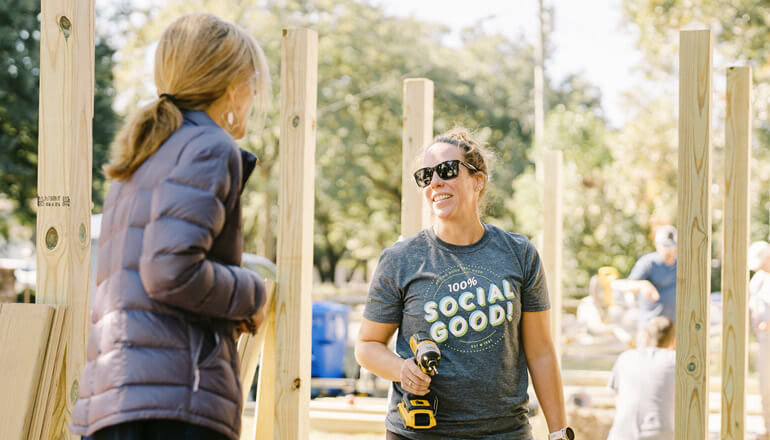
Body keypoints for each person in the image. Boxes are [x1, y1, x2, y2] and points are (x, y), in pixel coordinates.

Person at [70, 13, 271, 440]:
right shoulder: (209, 147)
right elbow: (170, 272)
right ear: (232, 86)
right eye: (253, 81)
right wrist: (251, 293)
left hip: (115, 401)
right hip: (175, 405)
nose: (255, 94)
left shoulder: (142, 157)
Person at [355, 128, 572, 440]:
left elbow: (541, 353)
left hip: (504, 434)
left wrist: (558, 432)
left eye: (446, 170)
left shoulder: (519, 254)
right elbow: (367, 345)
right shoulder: (400, 259)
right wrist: (401, 370)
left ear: (478, 180)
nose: (435, 182)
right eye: (425, 176)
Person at [607, 316, 676, 440]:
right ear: (673, 342)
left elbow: (617, 396)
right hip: (660, 434)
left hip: (621, 434)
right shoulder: (675, 360)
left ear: (646, 339)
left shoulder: (625, 358)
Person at [612, 225, 677, 341]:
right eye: (665, 244)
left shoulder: (682, 264)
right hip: (650, 327)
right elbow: (622, 285)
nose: (669, 248)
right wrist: (643, 285)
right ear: (656, 244)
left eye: (672, 244)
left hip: (674, 327)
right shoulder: (649, 263)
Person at [749, 241, 770, 440]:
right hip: (764, 341)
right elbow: (752, 305)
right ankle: (768, 426)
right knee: (765, 385)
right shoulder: (758, 280)